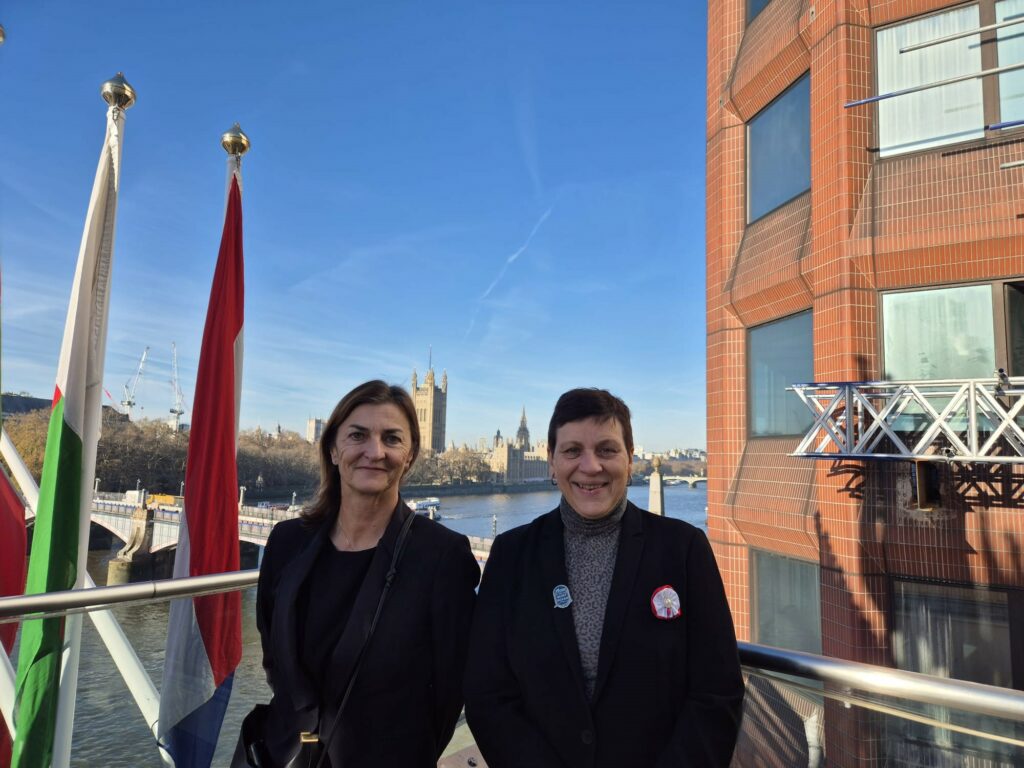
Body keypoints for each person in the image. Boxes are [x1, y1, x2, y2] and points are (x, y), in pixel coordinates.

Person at [465, 388, 744, 767]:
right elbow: (488, 693)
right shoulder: (512, 554)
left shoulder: (684, 549)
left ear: (631, 460)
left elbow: (717, 692)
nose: (590, 466)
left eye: (607, 450)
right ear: (551, 462)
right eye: (572, 450)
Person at [244, 380, 479, 767]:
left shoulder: (442, 556)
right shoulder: (287, 541)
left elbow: (450, 691)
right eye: (358, 436)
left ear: (410, 455)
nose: (375, 452)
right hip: (287, 752)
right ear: (334, 449)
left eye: (392, 439)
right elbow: (276, 657)